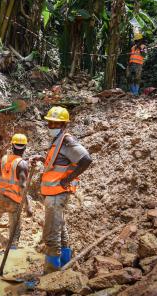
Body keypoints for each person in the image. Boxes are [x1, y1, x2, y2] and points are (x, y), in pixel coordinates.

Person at [32, 106, 92, 274]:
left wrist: (67, 179)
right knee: (60, 227)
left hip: (58, 194)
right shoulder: (58, 141)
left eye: (56, 123)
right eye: (50, 123)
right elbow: (58, 163)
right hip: (55, 194)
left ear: (64, 124)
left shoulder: (67, 140)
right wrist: (42, 159)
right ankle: (65, 264)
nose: (51, 126)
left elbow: (86, 159)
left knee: (51, 233)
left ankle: (51, 273)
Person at [0, 134, 31, 249]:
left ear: (12, 145)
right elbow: (23, 186)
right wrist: (28, 206)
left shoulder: (4, 158)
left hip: (3, 195)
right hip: (15, 200)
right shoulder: (23, 164)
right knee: (15, 226)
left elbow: (1, 171)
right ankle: (13, 246)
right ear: (25, 148)